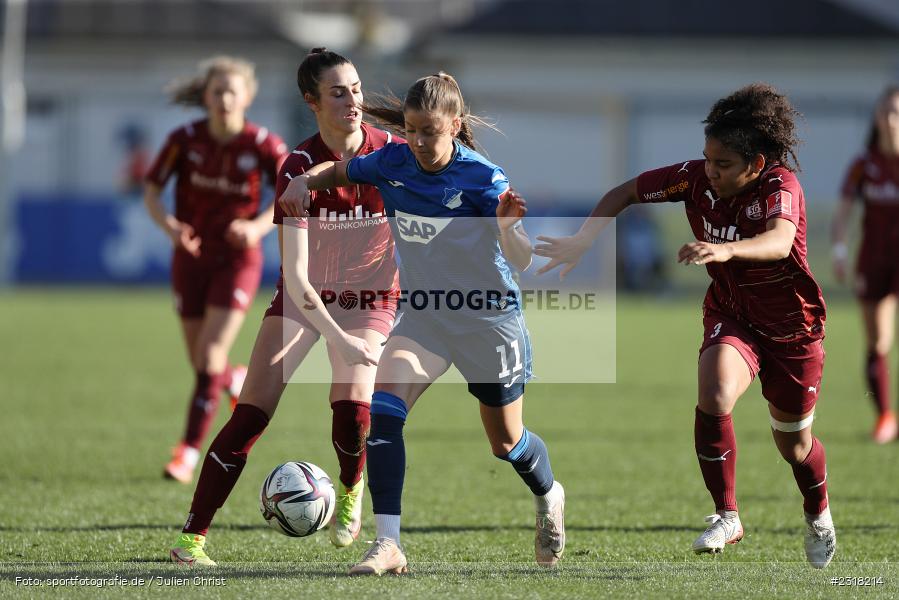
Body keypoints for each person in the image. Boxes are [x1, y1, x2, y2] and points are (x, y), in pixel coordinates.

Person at [535, 83, 835, 568]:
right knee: (714, 392)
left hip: (791, 331)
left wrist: (726, 249)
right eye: (707, 160)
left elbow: (780, 242)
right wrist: (584, 239)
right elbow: (626, 191)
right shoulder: (692, 179)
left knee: (794, 444)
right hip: (733, 315)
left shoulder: (781, 186)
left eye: (723, 165)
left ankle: (818, 512)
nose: (710, 173)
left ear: (755, 165)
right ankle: (726, 514)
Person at [278, 72, 566, 576]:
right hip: (426, 318)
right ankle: (388, 543)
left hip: (488, 322)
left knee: (506, 444)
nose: (416, 141)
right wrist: (304, 181)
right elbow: (341, 172)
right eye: (410, 129)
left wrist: (505, 227)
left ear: (454, 126)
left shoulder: (483, 179)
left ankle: (549, 494)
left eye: (428, 131)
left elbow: (519, 259)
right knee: (384, 411)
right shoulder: (393, 162)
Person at [169, 48, 401, 566]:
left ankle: (349, 489)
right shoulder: (295, 167)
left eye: (357, 89)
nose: (353, 101)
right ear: (311, 102)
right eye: (338, 92)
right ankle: (191, 540)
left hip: (370, 300)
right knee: (250, 415)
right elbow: (296, 279)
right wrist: (340, 340)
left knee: (352, 410)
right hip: (306, 297)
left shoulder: (392, 153)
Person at [144, 56, 288, 485]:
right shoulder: (183, 140)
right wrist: (170, 226)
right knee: (203, 361)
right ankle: (234, 378)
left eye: (232, 91)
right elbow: (152, 191)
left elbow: (288, 194)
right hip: (190, 258)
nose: (224, 98)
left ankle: (187, 452)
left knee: (208, 356)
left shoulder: (264, 144)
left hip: (237, 261)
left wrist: (257, 227)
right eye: (217, 91)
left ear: (248, 96)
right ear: (205, 96)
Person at [832, 85, 899, 443]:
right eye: (885, 112)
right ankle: (886, 416)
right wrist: (840, 251)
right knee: (878, 340)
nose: (890, 120)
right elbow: (842, 213)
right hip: (873, 259)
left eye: (897, 113)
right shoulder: (864, 165)